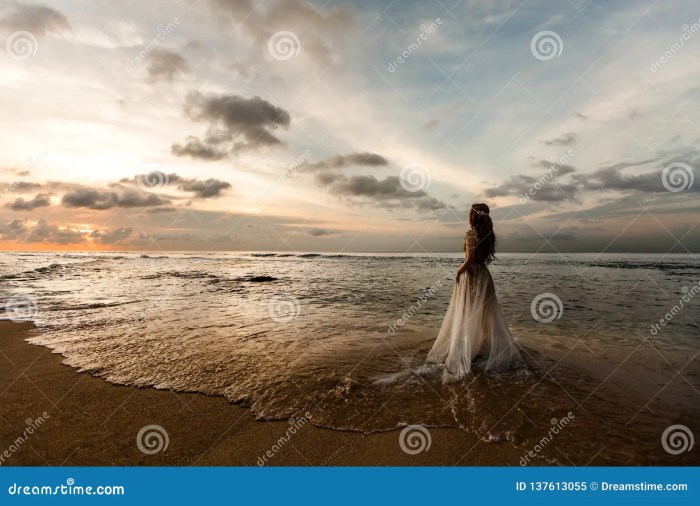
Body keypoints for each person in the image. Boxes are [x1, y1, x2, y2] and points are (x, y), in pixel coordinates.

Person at [427, 203, 526, 377]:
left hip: (472, 275)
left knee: (466, 313)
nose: (468, 216)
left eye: (469, 213)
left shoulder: (470, 234)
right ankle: (483, 350)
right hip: (485, 276)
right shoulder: (488, 235)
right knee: (483, 314)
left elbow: (471, 257)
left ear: (473, 216)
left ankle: (465, 351)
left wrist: (459, 270)